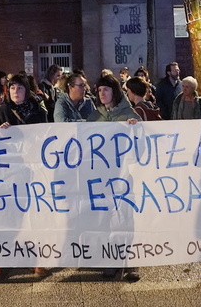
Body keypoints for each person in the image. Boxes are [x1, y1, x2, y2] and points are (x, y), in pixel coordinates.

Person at [0, 74, 50, 280]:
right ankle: (1, 262)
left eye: (19, 88)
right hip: (9, 174)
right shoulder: (1, 111)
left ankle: (37, 260)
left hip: (32, 173)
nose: (15, 92)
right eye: (12, 88)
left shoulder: (38, 112)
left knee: (35, 217)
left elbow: (46, 137)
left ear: (26, 90)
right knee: (7, 218)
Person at [87, 75, 141, 281]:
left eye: (106, 90)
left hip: (124, 177)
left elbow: (141, 146)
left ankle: (129, 262)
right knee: (104, 219)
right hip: (101, 177)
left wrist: (136, 129)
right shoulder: (93, 117)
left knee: (125, 218)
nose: (102, 94)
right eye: (99, 90)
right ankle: (111, 259)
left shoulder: (129, 115)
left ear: (115, 92)